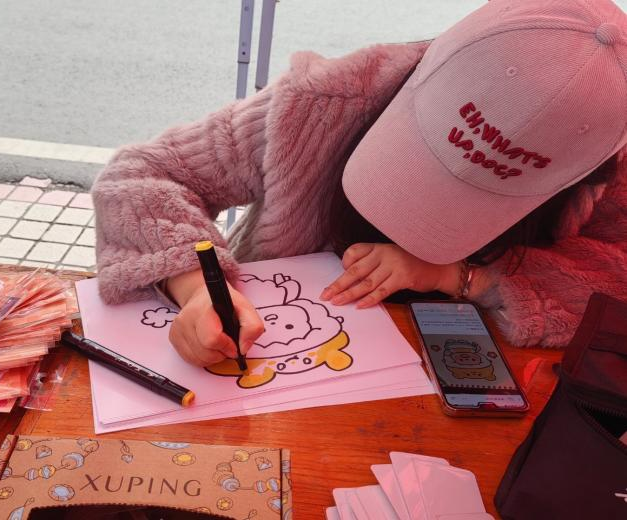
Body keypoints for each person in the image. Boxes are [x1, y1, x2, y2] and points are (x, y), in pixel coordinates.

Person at [92, 0, 627, 367]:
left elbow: (616, 287)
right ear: (428, 67)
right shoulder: (322, 104)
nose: (429, 207)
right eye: (424, 157)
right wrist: (196, 289)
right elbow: (144, 173)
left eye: (484, 195)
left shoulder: (606, 169)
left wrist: (458, 276)